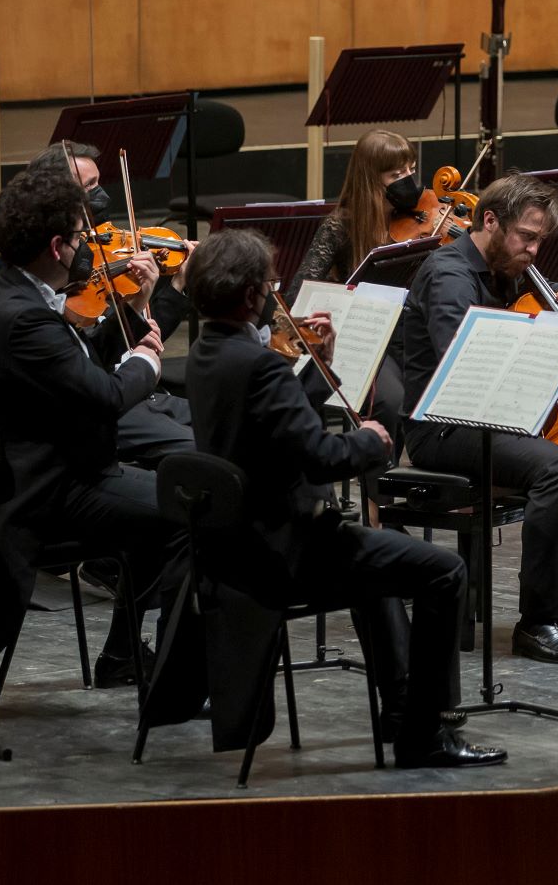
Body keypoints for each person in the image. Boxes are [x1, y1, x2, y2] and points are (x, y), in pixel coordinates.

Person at [182, 229, 502, 769]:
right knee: (444, 571)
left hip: (239, 549)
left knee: (374, 565)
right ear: (252, 296)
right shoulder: (260, 365)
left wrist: (319, 367)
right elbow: (320, 456)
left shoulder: (207, 352)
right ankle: (426, 733)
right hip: (286, 554)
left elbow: (276, 426)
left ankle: (402, 711)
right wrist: (371, 442)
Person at [0, 166, 183, 688]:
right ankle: (164, 667)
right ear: (59, 246)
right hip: (50, 489)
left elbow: (76, 363)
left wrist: (131, 312)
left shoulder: (22, 290)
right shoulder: (23, 315)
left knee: (173, 501)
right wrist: (148, 361)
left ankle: (124, 655)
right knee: (187, 511)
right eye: (82, 237)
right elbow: (105, 396)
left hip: (66, 469)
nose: (90, 246)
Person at [399, 172, 558, 663]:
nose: (533, 251)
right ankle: (538, 620)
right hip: (445, 426)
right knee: (555, 467)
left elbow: (520, 328)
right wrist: (557, 381)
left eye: (539, 241)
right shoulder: (449, 276)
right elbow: (469, 365)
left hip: (497, 415)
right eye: (526, 237)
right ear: (489, 220)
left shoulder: (506, 265)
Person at [28, 141, 196, 466]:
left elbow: (135, 337)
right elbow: (95, 362)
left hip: (134, 390)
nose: (100, 194)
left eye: (98, 183)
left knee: (230, 426)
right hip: (99, 407)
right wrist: (143, 356)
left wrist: (173, 285)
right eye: (89, 186)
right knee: (200, 448)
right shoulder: (47, 274)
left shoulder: (101, 242)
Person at [284, 128, 425, 441]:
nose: (409, 180)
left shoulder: (420, 219)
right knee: (390, 401)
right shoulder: (341, 224)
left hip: (411, 329)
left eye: (411, 169)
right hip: (366, 332)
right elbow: (298, 293)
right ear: (371, 179)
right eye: (397, 173)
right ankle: (379, 486)